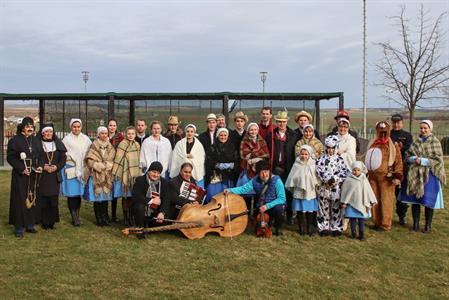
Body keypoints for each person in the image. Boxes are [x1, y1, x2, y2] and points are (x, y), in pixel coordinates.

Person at [400, 120, 446, 233]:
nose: (423, 130)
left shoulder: (435, 142)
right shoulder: (416, 142)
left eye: (425, 128)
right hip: (415, 174)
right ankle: (415, 224)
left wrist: (424, 161)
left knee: (427, 200)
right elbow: (408, 155)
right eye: (421, 128)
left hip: (429, 174)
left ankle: (427, 226)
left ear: (430, 128)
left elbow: (438, 159)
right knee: (416, 199)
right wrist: (414, 159)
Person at [225, 160, 286, 236]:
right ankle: (267, 224)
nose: (264, 175)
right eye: (261, 173)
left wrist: (267, 206)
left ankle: (278, 229)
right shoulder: (254, 180)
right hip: (261, 206)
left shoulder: (277, 180)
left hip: (274, 205)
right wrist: (230, 190)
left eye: (266, 171)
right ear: (258, 173)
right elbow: (243, 189)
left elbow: (282, 199)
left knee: (278, 209)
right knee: (258, 229)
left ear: (269, 171)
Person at [365, 121, 402, 231]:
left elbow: (398, 162)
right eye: (380, 132)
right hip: (372, 177)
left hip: (387, 177)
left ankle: (385, 224)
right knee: (374, 199)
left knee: (386, 200)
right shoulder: (372, 143)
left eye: (385, 132)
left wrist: (397, 176)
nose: (382, 135)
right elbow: (366, 158)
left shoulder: (392, 146)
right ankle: (376, 221)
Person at [7, 117, 40, 237]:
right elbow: (10, 157)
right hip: (20, 175)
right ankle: (19, 227)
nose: (30, 129)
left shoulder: (35, 140)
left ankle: (30, 224)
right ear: (22, 128)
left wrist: (39, 166)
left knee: (32, 197)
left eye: (31, 127)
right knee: (20, 199)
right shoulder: (15, 141)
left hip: (33, 174)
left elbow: (39, 155)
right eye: (27, 127)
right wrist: (21, 169)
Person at [265, 111, 298, 223]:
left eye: (283, 122)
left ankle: (289, 215)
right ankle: (273, 216)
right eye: (279, 122)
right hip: (275, 168)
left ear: (287, 121)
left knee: (288, 192)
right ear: (276, 122)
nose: (282, 124)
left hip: (288, 168)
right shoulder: (271, 135)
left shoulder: (293, 135)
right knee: (273, 192)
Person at [35, 123, 67, 230]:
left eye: (51, 132)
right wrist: (42, 166)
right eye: (46, 132)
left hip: (54, 176)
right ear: (42, 133)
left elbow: (63, 159)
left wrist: (56, 167)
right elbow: (34, 158)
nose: (49, 134)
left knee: (53, 199)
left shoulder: (58, 144)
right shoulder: (37, 144)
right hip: (42, 176)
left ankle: (52, 221)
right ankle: (44, 221)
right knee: (43, 199)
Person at [316, 135, 348, 236]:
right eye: (328, 148)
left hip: (336, 188)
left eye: (332, 148)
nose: (330, 150)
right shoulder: (321, 159)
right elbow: (318, 171)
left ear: (336, 147)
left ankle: (336, 227)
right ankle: (323, 226)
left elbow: (344, 172)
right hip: (324, 187)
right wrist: (327, 179)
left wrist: (335, 180)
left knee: (336, 207)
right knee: (323, 207)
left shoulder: (340, 159)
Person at [61, 118, 92, 227]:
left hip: (82, 169)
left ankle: (77, 216)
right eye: (74, 127)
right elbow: (64, 153)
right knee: (71, 194)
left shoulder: (86, 139)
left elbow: (89, 152)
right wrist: (74, 158)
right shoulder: (66, 139)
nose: (76, 128)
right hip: (72, 168)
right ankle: (74, 217)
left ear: (81, 127)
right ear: (71, 127)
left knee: (78, 194)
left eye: (78, 126)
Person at [83, 126, 116, 226]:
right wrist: (97, 165)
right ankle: (99, 218)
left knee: (105, 198)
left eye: (106, 133)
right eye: (102, 133)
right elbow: (89, 159)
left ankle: (105, 217)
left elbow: (113, 158)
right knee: (98, 199)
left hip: (106, 175)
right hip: (96, 175)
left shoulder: (110, 146)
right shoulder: (94, 145)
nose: (104, 135)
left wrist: (107, 165)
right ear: (98, 134)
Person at [285, 145, 319, 236]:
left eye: (306, 154)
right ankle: (301, 228)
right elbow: (292, 177)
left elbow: (316, 177)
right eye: (302, 154)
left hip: (310, 191)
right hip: (299, 191)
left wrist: (315, 183)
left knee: (310, 211)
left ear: (309, 155)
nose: (304, 156)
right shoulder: (296, 164)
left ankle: (309, 228)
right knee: (299, 210)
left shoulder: (313, 164)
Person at [131, 161, 170, 239]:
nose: (155, 175)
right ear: (149, 171)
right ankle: (140, 228)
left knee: (163, 221)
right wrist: (151, 201)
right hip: (142, 209)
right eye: (153, 172)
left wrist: (162, 213)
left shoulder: (164, 182)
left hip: (155, 210)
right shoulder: (140, 180)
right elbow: (136, 196)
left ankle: (150, 225)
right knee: (139, 206)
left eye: (158, 173)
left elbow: (166, 199)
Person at [112, 126, 141, 226]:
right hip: (124, 174)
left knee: (132, 197)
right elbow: (118, 159)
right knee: (125, 197)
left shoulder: (137, 145)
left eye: (133, 134)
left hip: (134, 174)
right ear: (125, 134)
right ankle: (125, 217)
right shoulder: (122, 144)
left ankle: (131, 216)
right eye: (129, 134)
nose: (131, 135)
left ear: (135, 134)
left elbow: (138, 158)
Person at [340, 161, 377, 241]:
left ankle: (361, 234)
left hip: (361, 203)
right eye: (354, 170)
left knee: (361, 220)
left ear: (361, 170)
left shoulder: (364, 179)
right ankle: (353, 233)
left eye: (358, 170)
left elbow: (368, 190)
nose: (356, 172)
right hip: (351, 204)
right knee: (353, 219)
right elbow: (345, 191)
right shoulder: (348, 180)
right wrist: (344, 202)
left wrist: (372, 200)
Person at [390, 113, 413, 225]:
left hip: (403, 167)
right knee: (389, 193)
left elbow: (409, 147)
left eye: (398, 122)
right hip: (390, 167)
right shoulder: (388, 134)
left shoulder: (407, 135)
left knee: (401, 194)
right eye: (394, 122)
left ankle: (401, 215)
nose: (396, 124)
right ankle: (387, 215)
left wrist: (399, 148)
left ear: (402, 123)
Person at [205, 128, 240, 202]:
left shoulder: (232, 147)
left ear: (228, 136)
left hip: (229, 177)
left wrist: (232, 165)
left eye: (225, 135)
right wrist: (217, 165)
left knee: (227, 199)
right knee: (214, 197)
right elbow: (208, 161)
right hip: (216, 177)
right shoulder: (212, 147)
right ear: (218, 136)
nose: (223, 137)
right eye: (221, 135)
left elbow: (237, 160)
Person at [108, 118, 123, 222]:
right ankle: (104, 214)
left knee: (114, 192)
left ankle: (113, 215)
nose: (112, 127)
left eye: (114, 125)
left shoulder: (120, 138)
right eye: (110, 125)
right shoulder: (103, 135)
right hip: (106, 166)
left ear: (116, 127)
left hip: (116, 166)